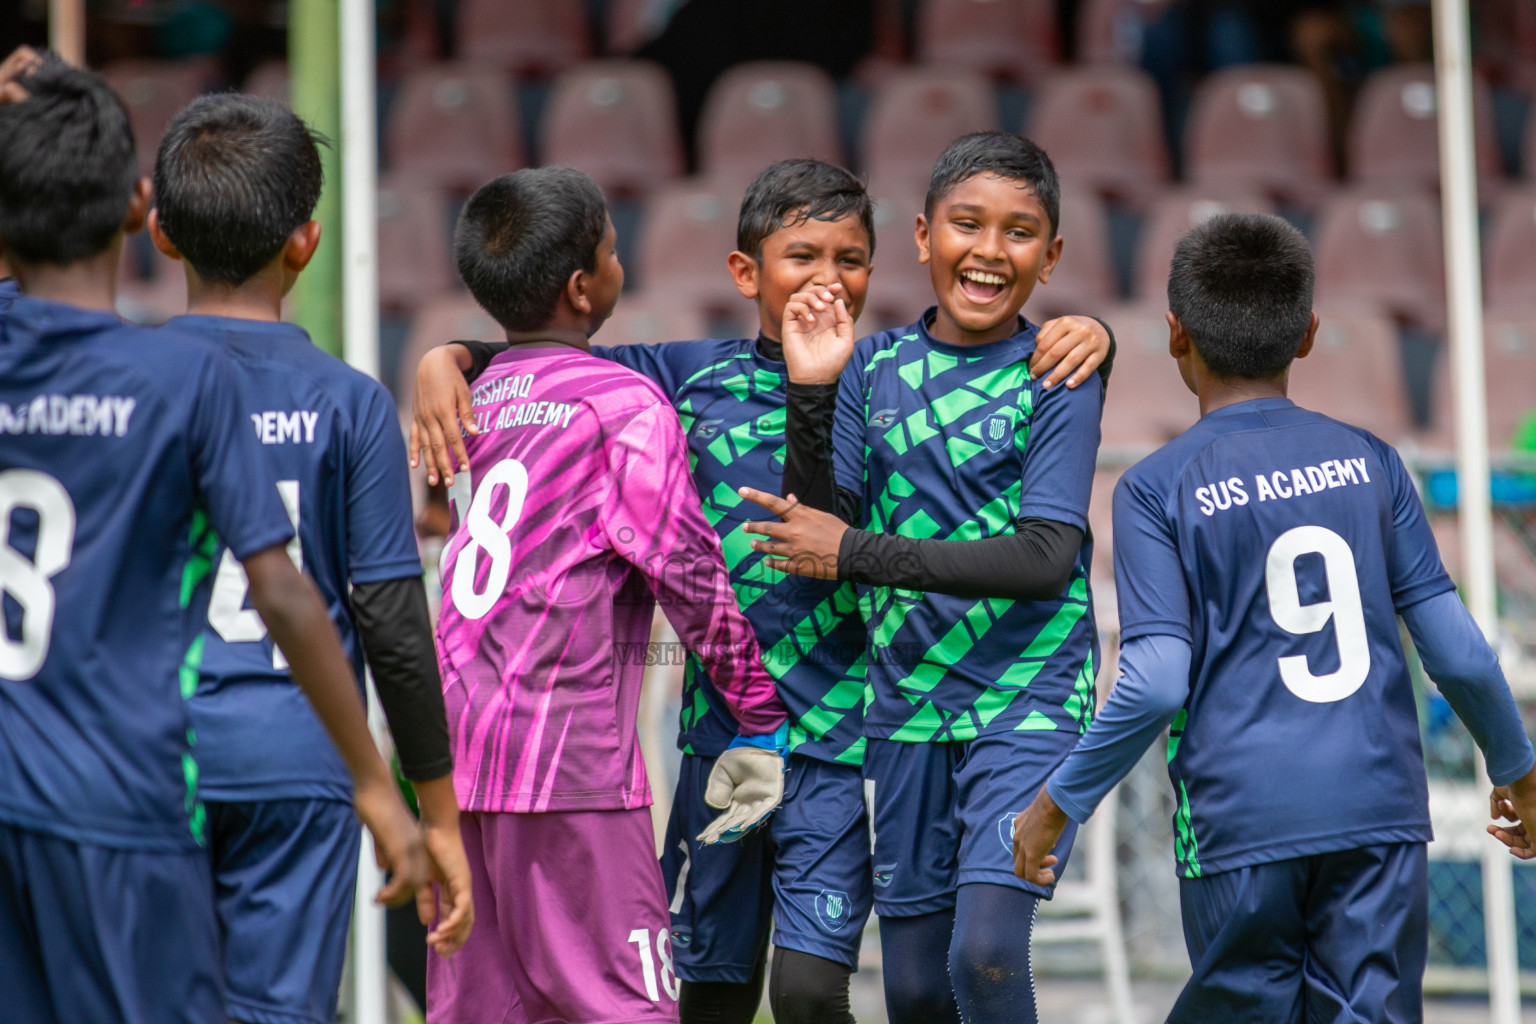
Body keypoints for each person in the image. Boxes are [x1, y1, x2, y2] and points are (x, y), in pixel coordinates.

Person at [410, 157, 1113, 1024]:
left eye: (849, 260)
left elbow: (980, 376)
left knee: (812, 992)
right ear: (746, 273)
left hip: (843, 743)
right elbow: (556, 347)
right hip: (721, 739)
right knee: (709, 991)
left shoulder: (883, 377)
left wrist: (1093, 333)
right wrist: (450, 357)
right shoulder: (680, 376)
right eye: (803, 257)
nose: (827, 281)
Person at [1012, 212, 1536, 1022]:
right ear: (1309, 334)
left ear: (1176, 335)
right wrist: (1515, 765)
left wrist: (1058, 801)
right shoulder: (1372, 461)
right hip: (1379, 812)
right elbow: (1461, 654)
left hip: (1240, 820)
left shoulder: (1155, 488)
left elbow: (1153, 687)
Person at [0, 53, 425, 1024]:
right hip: (187, 771)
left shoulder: (90, 357)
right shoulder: (189, 386)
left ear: (159, 224)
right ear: (134, 209)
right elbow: (307, 593)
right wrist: (380, 781)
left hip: (75, 765)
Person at [742, 131, 1109, 1024]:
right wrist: (811, 391)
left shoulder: (1059, 367)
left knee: (983, 957)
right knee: (912, 988)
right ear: (922, 235)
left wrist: (857, 552)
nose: (989, 251)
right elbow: (815, 529)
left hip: (1027, 701)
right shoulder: (874, 368)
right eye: (967, 225)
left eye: (1020, 233)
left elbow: (1043, 558)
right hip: (906, 710)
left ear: (1052, 256)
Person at [426, 166, 792, 1024]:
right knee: (627, 1009)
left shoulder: (469, 403)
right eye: (615, 250)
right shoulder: (623, 406)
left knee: (487, 1011)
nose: (622, 265)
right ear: (585, 286)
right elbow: (690, 573)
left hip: (459, 759)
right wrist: (759, 710)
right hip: (571, 770)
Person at [145, 92, 474, 1024]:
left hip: (149, 760)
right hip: (301, 760)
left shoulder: (125, 385)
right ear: (309, 240)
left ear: (162, 235)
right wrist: (433, 811)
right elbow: (394, 625)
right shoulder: (350, 403)